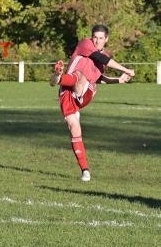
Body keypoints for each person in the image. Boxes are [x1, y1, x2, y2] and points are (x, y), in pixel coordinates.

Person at [50, 24, 134, 182]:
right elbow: (100, 58)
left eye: (100, 38)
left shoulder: (103, 59)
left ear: (106, 39)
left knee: (83, 78)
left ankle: (60, 79)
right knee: (74, 129)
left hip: (84, 90)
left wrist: (118, 80)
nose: (96, 41)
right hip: (67, 92)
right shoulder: (85, 44)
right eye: (95, 37)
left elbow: (100, 78)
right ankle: (85, 171)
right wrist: (126, 70)